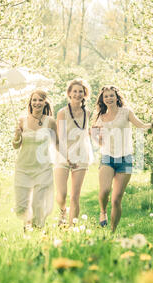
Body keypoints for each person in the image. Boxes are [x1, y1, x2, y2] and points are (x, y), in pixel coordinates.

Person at [91, 85, 153, 232]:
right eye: (106, 96)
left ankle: (112, 231)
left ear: (117, 97)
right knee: (105, 191)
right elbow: (94, 133)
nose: (109, 98)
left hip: (125, 159)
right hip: (107, 157)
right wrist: (98, 140)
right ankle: (103, 211)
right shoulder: (101, 117)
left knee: (117, 198)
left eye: (111, 95)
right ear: (103, 99)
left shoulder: (126, 112)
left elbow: (141, 126)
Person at [12, 90, 59, 230]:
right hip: (23, 167)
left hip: (43, 168)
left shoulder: (50, 122)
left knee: (38, 204)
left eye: (40, 100)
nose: (37, 103)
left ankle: (37, 230)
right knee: (21, 206)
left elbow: (57, 143)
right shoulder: (22, 121)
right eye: (34, 100)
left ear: (45, 103)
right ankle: (27, 223)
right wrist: (16, 135)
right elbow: (16, 146)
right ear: (30, 102)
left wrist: (67, 158)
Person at [54, 79, 93, 225]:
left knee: (75, 196)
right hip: (63, 155)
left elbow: (85, 133)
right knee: (62, 194)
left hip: (81, 155)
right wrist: (67, 157)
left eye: (80, 91)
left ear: (84, 94)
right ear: (69, 93)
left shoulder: (87, 113)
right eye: (74, 91)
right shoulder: (62, 113)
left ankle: (72, 227)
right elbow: (61, 137)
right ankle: (63, 211)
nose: (77, 94)